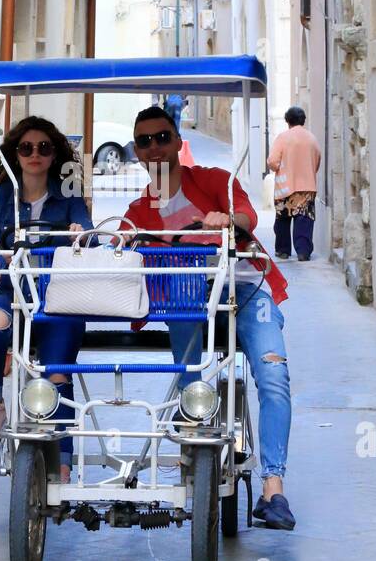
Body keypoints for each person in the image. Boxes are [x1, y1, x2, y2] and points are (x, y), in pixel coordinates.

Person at [122, 106, 296, 530]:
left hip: (245, 290)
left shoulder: (215, 180)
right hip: (188, 298)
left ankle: (273, 487)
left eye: (162, 138)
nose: (154, 147)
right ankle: (192, 424)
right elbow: (118, 245)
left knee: (274, 374)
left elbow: (246, 218)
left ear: (177, 142)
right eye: (144, 141)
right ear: (137, 152)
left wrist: (226, 220)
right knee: (181, 309)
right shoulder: (138, 210)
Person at [0, 117, 93, 481]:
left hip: (59, 298)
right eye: (26, 147)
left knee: (57, 372)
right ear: (15, 153)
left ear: (55, 154)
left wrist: (80, 236)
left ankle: (62, 460)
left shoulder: (69, 195)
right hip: (13, 292)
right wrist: (6, 257)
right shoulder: (0, 197)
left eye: (44, 147)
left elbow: (91, 239)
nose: (35, 154)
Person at [267, 107, 322, 262]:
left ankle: (283, 250)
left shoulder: (283, 138)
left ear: (287, 120)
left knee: (283, 219)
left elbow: (273, 162)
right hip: (307, 186)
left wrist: (278, 167)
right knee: (304, 218)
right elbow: (317, 161)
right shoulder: (312, 139)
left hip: (286, 186)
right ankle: (303, 251)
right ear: (303, 120)